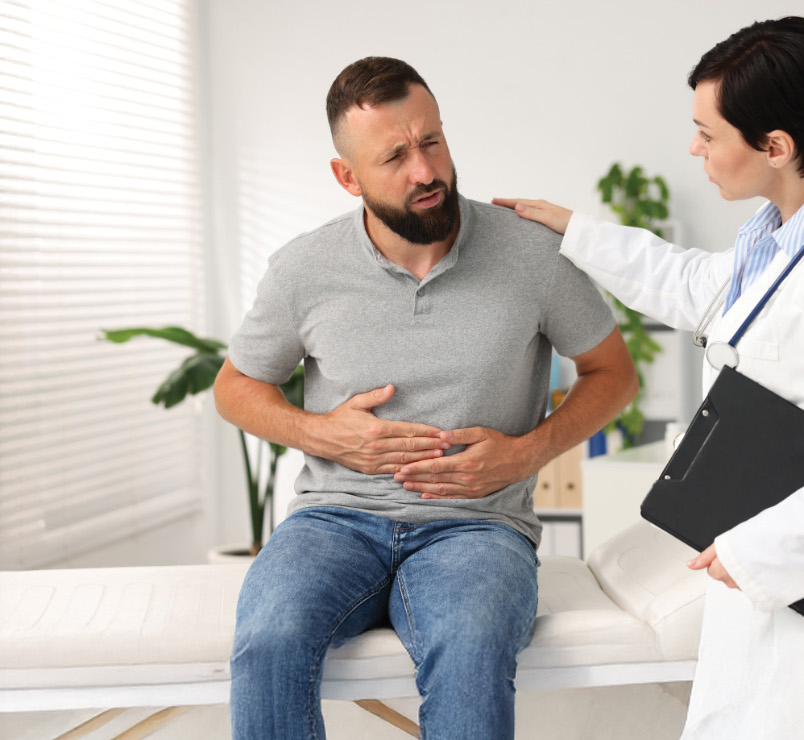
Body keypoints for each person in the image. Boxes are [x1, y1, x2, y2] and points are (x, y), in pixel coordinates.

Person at [494, 17, 804, 740]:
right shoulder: (783, 237)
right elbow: (700, 286)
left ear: (776, 147)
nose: (694, 147)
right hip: (767, 577)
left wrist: (757, 551)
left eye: (708, 134)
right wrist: (577, 233)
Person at [214, 56, 637, 740]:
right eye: (395, 156)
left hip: (479, 527)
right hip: (335, 519)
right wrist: (323, 434)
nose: (425, 171)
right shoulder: (303, 269)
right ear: (347, 177)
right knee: (269, 639)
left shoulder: (533, 254)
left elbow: (613, 374)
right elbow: (235, 387)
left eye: (431, 141)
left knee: (471, 650)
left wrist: (525, 454)